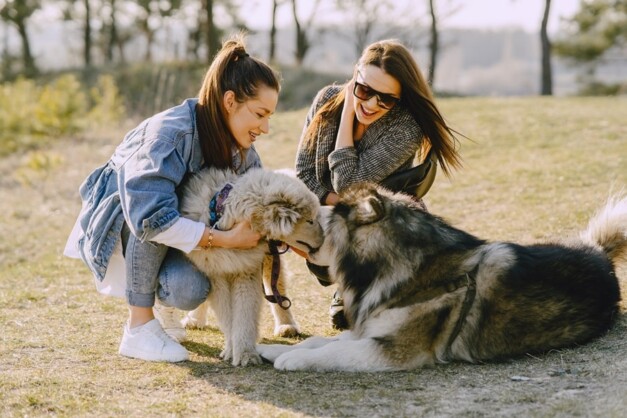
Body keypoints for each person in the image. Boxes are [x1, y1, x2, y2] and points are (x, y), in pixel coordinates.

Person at [63, 34, 281, 362]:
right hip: (125, 228)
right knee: (156, 212)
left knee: (189, 290)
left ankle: (165, 306)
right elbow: (149, 218)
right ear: (230, 101)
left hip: (176, 235)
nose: (265, 128)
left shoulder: (242, 149)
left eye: (270, 118)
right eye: (260, 114)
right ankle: (139, 327)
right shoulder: (171, 134)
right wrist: (225, 239)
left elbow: (259, 196)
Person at [295, 39, 463, 329]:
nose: (371, 104)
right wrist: (338, 202)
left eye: (385, 99)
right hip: (329, 216)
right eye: (364, 90)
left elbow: (349, 184)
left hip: (379, 225)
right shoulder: (325, 101)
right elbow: (304, 174)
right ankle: (347, 283)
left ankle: (365, 288)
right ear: (355, 74)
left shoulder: (405, 128)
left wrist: (349, 111)